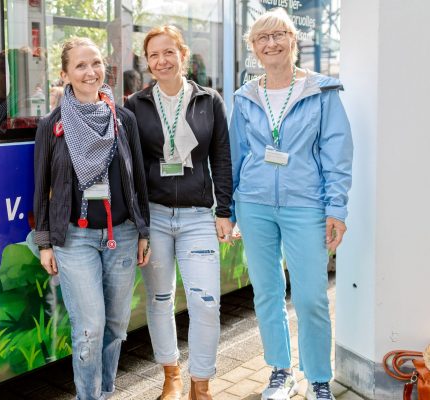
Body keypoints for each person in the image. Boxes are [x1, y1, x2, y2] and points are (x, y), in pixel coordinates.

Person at [229, 8, 353, 400]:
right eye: (262, 39)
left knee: (311, 296)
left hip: (306, 205)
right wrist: (229, 211)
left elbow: (338, 152)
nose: (271, 44)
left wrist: (336, 208)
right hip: (254, 204)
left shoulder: (321, 91)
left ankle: (318, 377)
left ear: (293, 40)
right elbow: (236, 155)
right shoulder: (245, 95)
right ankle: (280, 373)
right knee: (266, 292)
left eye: (278, 35)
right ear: (253, 48)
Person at [33, 37, 151, 400]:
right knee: (90, 328)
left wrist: (143, 230)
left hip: (123, 234)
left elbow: (138, 179)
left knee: (116, 327)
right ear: (65, 73)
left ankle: (106, 392)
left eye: (96, 63)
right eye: (81, 65)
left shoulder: (123, 119)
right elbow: (41, 186)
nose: (91, 72)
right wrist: (45, 241)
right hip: (75, 238)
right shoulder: (52, 125)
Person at [124, 25, 232, 400]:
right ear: (147, 62)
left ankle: (200, 382)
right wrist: (138, 225)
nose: (161, 60)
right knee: (160, 300)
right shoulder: (135, 106)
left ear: (182, 55)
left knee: (206, 302)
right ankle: (171, 374)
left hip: (198, 216)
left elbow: (221, 157)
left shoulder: (208, 101)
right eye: (153, 55)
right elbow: (130, 169)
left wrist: (225, 211)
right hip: (154, 217)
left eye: (169, 52)